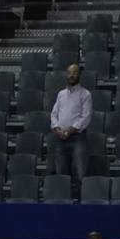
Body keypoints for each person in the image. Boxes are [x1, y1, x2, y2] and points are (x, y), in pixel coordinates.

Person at [50, 63, 92, 200]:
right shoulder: (61, 94)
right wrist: (57, 129)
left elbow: (85, 117)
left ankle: (81, 203)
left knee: (80, 173)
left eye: (74, 72)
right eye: (69, 73)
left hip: (77, 138)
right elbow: (54, 114)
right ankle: (63, 202)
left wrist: (69, 131)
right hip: (60, 138)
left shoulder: (85, 94)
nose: (71, 75)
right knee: (62, 174)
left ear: (79, 75)